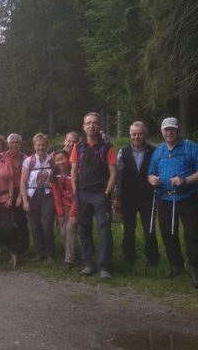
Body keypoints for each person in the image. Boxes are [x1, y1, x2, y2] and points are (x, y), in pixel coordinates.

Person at [148, 117, 198, 288]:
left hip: (186, 197)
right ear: (162, 131)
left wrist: (186, 180)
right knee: (167, 233)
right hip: (164, 198)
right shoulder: (158, 152)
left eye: (172, 129)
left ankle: (196, 268)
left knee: (191, 234)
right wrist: (152, 179)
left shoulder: (190, 147)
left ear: (178, 129)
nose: (169, 132)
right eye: (166, 129)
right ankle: (176, 265)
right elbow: (151, 173)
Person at [70, 112, 117, 279]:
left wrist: (106, 192)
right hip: (82, 193)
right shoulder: (78, 147)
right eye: (88, 123)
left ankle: (105, 267)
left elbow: (113, 173)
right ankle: (89, 264)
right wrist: (76, 191)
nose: (91, 126)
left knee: (104, 231)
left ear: (99, 126)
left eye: (95, 123)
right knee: (84, 230)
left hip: (99, 195)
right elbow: (74, 170)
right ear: (83, 127)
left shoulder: (107, 147)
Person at [113, 121, 159, 268]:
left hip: (148, 197)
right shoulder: (123, 152)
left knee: (149, 229)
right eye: (134, 134)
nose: (137, 137)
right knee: (128, 230)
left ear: (145, 134)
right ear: (130, 135)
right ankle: (128, 260)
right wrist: (117, 197)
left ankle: (152, 261)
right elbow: (118, 176)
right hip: (128, 198)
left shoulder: (154, 151)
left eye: (140, 134)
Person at [21, 133, 56, 263]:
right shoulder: (29, 161)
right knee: (35, 226)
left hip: (47, 195)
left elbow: (55, 180)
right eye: (38, 145)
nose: (40, 147)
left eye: (43, 145)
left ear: (46, 145)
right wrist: (24, 200)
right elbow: (23, 182)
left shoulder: (52, 161)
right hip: (32, 195)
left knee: (47, 226)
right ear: (34, 146)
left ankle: (50, 253)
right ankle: (39, 252)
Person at [50, 149, 77, 269]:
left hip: (77, 205)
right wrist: (60, 214)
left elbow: (78, 194)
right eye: (57, 160)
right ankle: (71, 254)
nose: (61, 162)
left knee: (71, 228)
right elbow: (57, 196)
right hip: (64, 205)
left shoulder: (75, 172)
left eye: (63, 159)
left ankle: (69, 260)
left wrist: (73, 213)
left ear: (68, 159)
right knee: (63, 231)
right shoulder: (55, 175)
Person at [4, 133, 30, 253]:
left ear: (20, 144)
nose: (14, 144)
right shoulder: (2, 156)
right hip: (5, 191)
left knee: (21, 221)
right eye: (12, 142)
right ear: (8, 144)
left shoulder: (25, 158)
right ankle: (8, 247)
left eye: (17, 142)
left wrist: (20, 196)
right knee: (6, 221)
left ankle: (24, 247)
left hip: (20, 190)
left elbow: (26, 180)